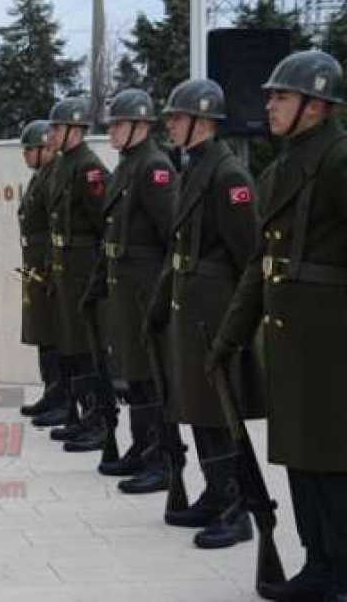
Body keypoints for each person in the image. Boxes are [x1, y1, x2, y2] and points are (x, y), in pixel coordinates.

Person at [210, 51, 347, 600]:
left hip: (333, 343)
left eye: (281, 96)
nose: (268, 104)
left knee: (333, 464)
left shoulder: (339, 160)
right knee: (301, 459)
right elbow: (261, 264)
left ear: (316, 105)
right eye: (270, 95)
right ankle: (319, 564)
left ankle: (338, 572)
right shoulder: (282, 167)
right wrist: (229, 337)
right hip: (293, 342)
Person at [145, 79, 260, 550]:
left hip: (214, 308)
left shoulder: (229, 175)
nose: (169, 124)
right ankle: (215, 494)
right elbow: (178, 247)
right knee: (198, 405)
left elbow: (247, 254)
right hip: (189, 304)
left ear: (203, 120)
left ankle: (239, 509)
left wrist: (235, 323)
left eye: (176, 116)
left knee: (220, 408)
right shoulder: (194, 168)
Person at [79, 89, 177, 488]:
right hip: (124, 284)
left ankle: (161, 455)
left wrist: (161, 293)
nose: (112, 130)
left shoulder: (154, 168)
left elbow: (172, 234)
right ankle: (142, 446)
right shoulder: (127, 166)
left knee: (150, 373)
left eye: (118, 124)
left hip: (146, 286)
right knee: (134, 372)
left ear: (140, 125)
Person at [41, 96, 114, 448]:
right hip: (67, 270)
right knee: (73, 347)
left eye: (57, 128)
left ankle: (100, 419)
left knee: (89, 348)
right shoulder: (64, 164)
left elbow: (106, 224)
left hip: (84, 269)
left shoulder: (89, 168)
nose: (52, 134)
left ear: (74, 129)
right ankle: (86, 415)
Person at [17, 120, 66, 419]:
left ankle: (61, 397)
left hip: (47, 266)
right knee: (42, 331)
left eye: (29, 149)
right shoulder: (42, 177)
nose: (25, 155)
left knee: (53, 333)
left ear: (46, 149)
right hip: (35, 264)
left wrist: (48, 266)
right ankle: (51, 392)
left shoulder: (52, 178)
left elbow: (55, 226)